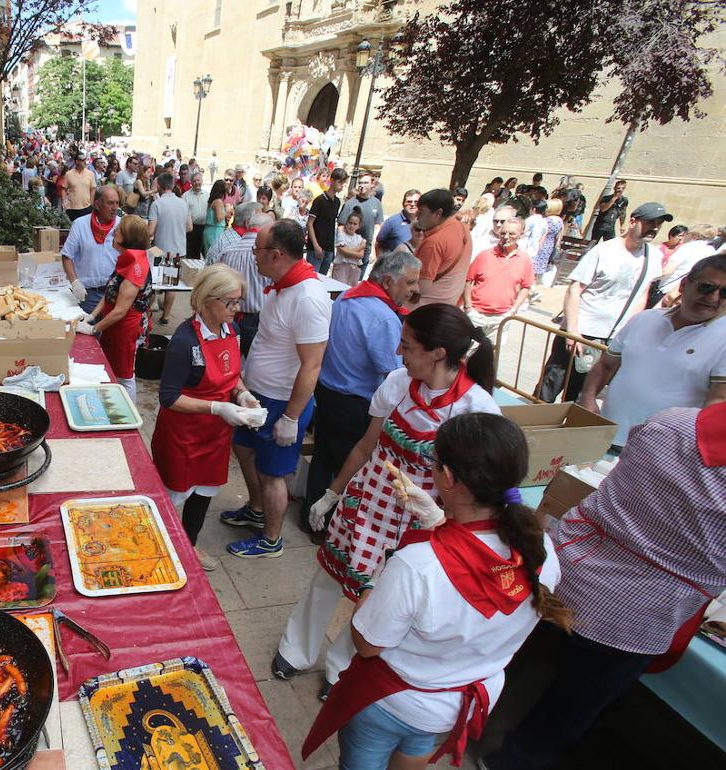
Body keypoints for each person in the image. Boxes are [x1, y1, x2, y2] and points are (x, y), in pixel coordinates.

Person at [302, 413, 568, 770]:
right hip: (454, 704)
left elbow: (367, 643)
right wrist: (439, 524)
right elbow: (481, 575)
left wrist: (374, 578)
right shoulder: (542, 551)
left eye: (435, 462)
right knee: (417, 748)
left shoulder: (417, 565)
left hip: (391, 701)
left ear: (448, 477)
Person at [483, 403, 726, 770]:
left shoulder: (670, 424)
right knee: (573, 702)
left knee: (510, 656)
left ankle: (469, 724)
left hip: (565, 568)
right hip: (637, 616)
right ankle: (512, 760)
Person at [280, 305, 500, 692]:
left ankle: (341, 668)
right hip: (369, 499)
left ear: (438, 353)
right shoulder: (398, 384)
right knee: (329, 576)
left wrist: (440, 517)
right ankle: (296, 648)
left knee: (378, 597)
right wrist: (333, 493)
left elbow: (478, 488)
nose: (400, 352)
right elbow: (366, 446)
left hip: (420, 517)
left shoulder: (476, 409)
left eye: (408, 345)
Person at [221, 219, 330, 558]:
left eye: (257, 251)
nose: (253, 257)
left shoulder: (308, 298)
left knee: (273, 473)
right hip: (258, 394)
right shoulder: (282, 286)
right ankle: (256, 509)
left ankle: (271, 538)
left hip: (281, 401)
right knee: (244, 450)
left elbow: (312, 364)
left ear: (276, 254)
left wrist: (291, 417)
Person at [153, 264, 266, 572]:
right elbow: (170, 397)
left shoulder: (233, 330)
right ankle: (159, 549)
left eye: (238, 300)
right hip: (183, 438)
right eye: (230, 302)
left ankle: (189, 546)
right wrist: (217, 408)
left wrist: (243, 396)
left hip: (215, 437)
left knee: (203, 494)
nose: (236, 308)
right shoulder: (184, 341)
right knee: (172, 497)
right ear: (207, 300)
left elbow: (233, 377)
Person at [301, 252, 420, 537]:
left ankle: (311, 516)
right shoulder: (381, 316)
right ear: (389, 281)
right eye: (410, 282)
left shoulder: (348, 297)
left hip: (329, 393)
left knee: (323, 457)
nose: (414, 289)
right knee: (349, 468)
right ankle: (332, 527)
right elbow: (393, 371)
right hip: (355, 403)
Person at [577, 254, 726, 449]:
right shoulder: (644, 319)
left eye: (724, 293)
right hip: (603, 437)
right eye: (706, 287)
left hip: (659, 454)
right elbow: (605, 365)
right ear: (684, 285)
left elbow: (717, 402)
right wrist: (587, 399)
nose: (713, 298)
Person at [538, 202, 671, 403]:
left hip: (611, 339)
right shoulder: (604, 251)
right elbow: (575, 289)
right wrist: (572, 331)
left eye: (658, 224)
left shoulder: (652, 256)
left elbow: (642, 294)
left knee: (582, 395)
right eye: (649, 222)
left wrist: (629, 333)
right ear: (633, 222)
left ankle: (564, 430)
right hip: (582, 332)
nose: (654, 228)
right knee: (551, 385)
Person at [78, 215, 156, 399]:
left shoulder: (136, 266)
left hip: (127, 327)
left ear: (128, 238)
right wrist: (91, 316)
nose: (114, 233)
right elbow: (110, 293)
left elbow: (121, 310)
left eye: (119, 231)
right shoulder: (126, 258)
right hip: (114, 324)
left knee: (124, 375)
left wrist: (93, 329)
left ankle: (129, 418)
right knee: (110, 367)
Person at [463, 217, 534, 340]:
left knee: (490, 355)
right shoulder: (484, 255)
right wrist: (468, 308)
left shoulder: (525, 259)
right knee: (466, 353)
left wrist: (513, 310)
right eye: (503, 233)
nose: (506, 237)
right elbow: (467, 281)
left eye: (511, 233)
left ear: (521, 235)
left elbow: (526, 287)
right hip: (476, 314)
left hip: (501, 317)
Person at [219, 209, 275, 355]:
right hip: (256, 319)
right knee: (253, 364)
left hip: (228, 316)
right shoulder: (268, 255)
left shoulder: (227, 251)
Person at [63, 185, 122, 313]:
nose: (115, 208)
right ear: (97, 204)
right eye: (110, 203)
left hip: (115, 295)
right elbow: (67, 256)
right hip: (88, 295)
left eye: (117, 203)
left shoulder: (122, 225)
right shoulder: (80, 224)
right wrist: (75, 282)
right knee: (88, 332)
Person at [411, 189, 473, 309]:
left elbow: (422, 287)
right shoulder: (463, 228)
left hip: (425, 308)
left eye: (421, 212)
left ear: (438, 213)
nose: (417, 215)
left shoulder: (434, 242)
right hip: (448, 303)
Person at [148, 171, 193, 325]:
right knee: (171, 283)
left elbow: (150, 232)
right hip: (179, 250)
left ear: (159, 186)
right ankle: (166, 315)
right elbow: (189, 227)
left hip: (160, 249)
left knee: (154, 280)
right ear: (173, 185)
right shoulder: (183, 203)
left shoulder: (157, 204)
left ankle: (150, 310)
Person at [655, 223, 719, 305]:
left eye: (687, 234)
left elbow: (668, 270)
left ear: (694, 236)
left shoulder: (687, 248)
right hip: (686, 296)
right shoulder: (713, 252)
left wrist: (649, 277)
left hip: (667, 292)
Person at [337, 173, 384, 269]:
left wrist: (373, 250)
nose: (362, 185)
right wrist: (342, 246)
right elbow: (341, 226)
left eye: (365, 182)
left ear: (372, 184)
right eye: (360, 183)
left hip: (366, 250)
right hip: (349, 249)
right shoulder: (350, 203)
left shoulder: (377, 203)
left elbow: (377, 227)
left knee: (358, 281)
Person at [307, 168, 348, 273]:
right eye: (339, 182)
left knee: (323, 280)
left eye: (343, 183)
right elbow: (310, 223)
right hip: (316, 247)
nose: (341, 185)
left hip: (329, 248)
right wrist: (315, 245)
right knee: (313, 278)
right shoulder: (319, 200)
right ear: (332, 180)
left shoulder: (337, 202)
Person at [533, 198, 565, 288]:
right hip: (549, 247)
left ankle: (531, 290)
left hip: (540, 245)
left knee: (532, 270)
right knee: (537, 271)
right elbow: (559, 237)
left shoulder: (546, 220)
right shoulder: (559, 220)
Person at [376, 189, 420, 254]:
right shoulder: (392, 222)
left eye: (416, 202)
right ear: (403, 203)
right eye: (409, 201)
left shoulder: (426, 222)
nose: (412, 204)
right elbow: (379, 243)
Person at [331, 209, 368, 286]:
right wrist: (359, 247)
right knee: (337, 289)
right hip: (341, 267)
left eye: (355, 224)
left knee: (349, 291)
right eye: (350, 223)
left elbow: (360, 255)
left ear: (358, 226)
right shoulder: (341, 235)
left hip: (354, 269)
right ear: (346, 223)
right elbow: (343, 252)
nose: (352, 226)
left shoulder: (359, 239)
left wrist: (349, 251)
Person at [590, 179, 629, 243]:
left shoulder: (624, 200)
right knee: (593, 244)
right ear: (615, 188)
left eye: (622, 188)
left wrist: (622, 225)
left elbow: (623, 213)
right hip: (600, 226)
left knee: (610, 245)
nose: (620, 190)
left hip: (610, 227)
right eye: (618, 188)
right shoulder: (606, 198)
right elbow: (603, 209)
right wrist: (614, 198)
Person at [63, 152, 96, 221]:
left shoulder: (90, 174)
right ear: (76, 161)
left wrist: (92, 203)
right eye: (82, 160)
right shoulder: (68, 174)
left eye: (85, 159)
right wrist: (64, 202)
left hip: (87, 207)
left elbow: (93, 189)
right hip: (72, 208)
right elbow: (64, 189)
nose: (85, 162)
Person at [183, 172, 209, 259]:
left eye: (198, 180)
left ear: (202, 181)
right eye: (194, 181)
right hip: (192, 229)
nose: (197, 183)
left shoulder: (207, 195)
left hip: (205, 228)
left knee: (206, 254)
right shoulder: (186, 196)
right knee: (192, 255)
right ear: (191, 182)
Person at [201, 179, 229, 258]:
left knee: (208, 255)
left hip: (209, 230)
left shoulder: (212, 201)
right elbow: (219, 217)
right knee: (214, 256)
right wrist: (227, 212)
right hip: (215, 231)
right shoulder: (218, 202)